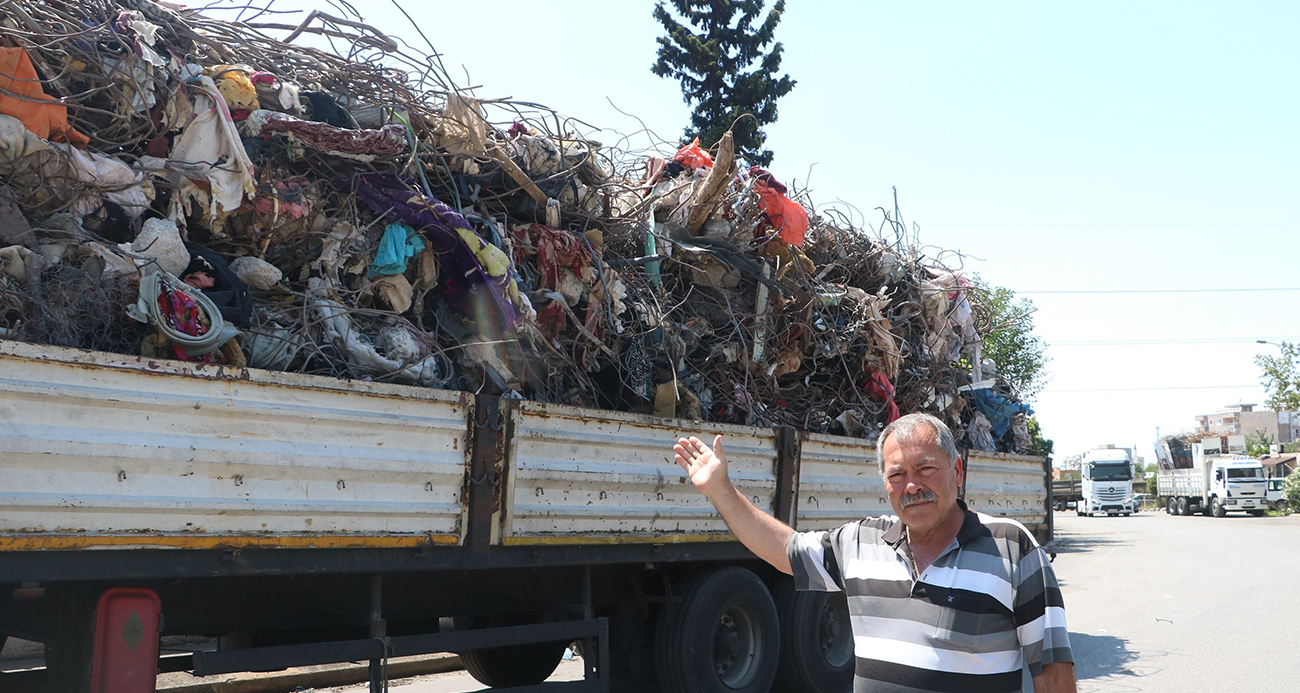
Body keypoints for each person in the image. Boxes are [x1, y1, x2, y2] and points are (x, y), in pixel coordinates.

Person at [673, 412, 1076, 693]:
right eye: (897, 475)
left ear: (957, 471)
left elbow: (1052, 667)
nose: (912, 485)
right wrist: (721, 491)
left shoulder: (1011, 546)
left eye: (925, 468)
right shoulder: (861, 542)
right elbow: (784, 549)